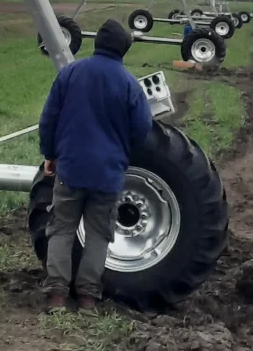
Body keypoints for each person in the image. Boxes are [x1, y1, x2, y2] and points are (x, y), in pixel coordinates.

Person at [38, 18, 153, 313]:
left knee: (61, 229)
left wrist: (50, 154)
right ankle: (88, 298)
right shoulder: (129, 84)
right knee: (99, 234)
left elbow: (49, 118)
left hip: (71, 170)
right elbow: (142, 129)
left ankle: (57, 297)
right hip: (107, 175)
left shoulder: (71, 73)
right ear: (123, 49)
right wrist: (121, 154)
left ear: (97, 43)